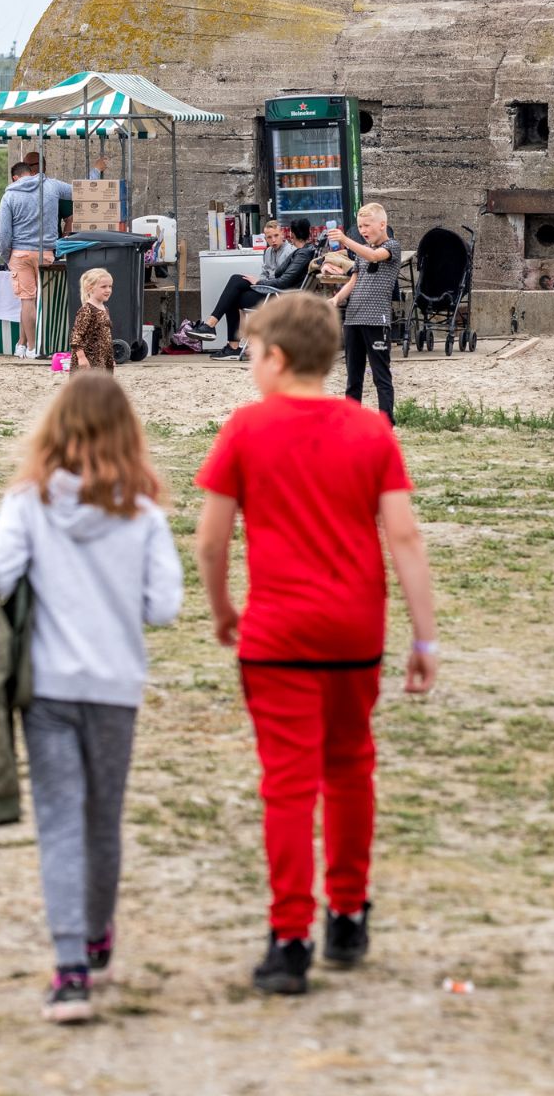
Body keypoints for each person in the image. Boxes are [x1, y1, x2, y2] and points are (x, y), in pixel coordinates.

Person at [193, 293, 440, 997]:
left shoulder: (245, 429)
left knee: (288, 783)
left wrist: (221, 610)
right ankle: (350, 912)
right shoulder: (369, 431)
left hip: (277, 633)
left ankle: (289, 935)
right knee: (351, 766)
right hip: (354, 630)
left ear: (274, 358)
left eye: (249, 354)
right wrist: (424, 636)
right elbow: (405, 538)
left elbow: (212, 540)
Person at [0, 371, 184, 1024]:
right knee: (103, 818)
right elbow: (163, 607)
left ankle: (70, 965)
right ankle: (98, 931)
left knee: (60, 822)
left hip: (45, 684)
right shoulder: (144, 514)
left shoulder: (26, 502)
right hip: (114, 685)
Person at [182, 219, 317, 360]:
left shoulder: (293, 252)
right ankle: (226, 340)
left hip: (277, 295)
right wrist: (260, 282)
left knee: (234, 285)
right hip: (268, 290)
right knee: (233, 290)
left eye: (276, 235)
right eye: (269, 237)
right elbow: (265, 273)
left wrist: (258, 282)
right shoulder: (268, 252)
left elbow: (283, 281)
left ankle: (214, 328)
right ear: (265, 238)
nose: (273, 240)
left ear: (284, 234)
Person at [327, 203, 401, 422]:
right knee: (353, 375)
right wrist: (337, 298)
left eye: (367, 225)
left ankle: (386, 421)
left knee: (381, 375)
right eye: (360, 226)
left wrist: (345, 240)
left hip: (376, 320)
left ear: (382, 224)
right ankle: (351, 420)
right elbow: (354, 280)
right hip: (352, 319)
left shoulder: (392, 246)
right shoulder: (362, 251)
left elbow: (374, 256)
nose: (363, 230)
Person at [0, 158, 74, 359]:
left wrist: (7, 256)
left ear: (15, 177)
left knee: (27, 301)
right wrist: (94, 174)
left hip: (20, 253)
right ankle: (25, 344)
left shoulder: (9, 195)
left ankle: (31, 347)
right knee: (41, 302)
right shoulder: (52, 186)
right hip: (46, 251)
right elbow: (80, 190)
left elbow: (4, 234)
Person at [68, 267, 115, 373]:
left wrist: (110, 357)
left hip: (102, 358)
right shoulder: (87, 309)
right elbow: (76, 336)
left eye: (110, 286)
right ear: (90, 288)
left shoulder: (105, 309)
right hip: (89, 359)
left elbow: (106, 336)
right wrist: (81, 357)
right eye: (103, 287)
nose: (108, 290)